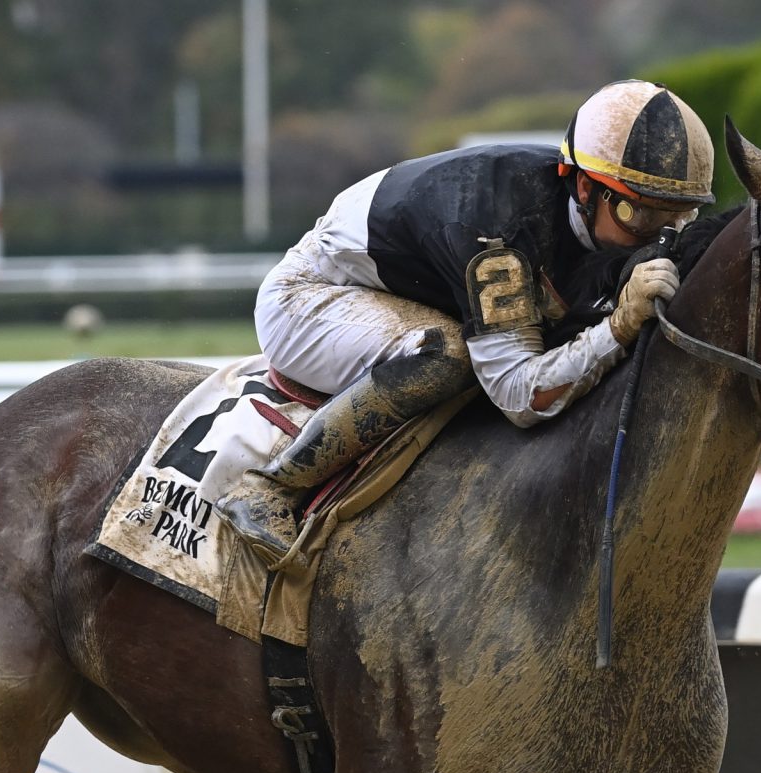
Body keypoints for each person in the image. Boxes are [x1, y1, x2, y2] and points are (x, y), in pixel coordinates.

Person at [218, 79, 715, 559]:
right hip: (314, 298)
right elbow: (521, 395)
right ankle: (273, 488)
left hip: (414, 290)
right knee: (451, 355)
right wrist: (619, 327)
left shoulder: (589, 212)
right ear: (585, 187)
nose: (659, 236)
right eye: (639, 215)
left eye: (678, 216)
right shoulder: (498, 237)